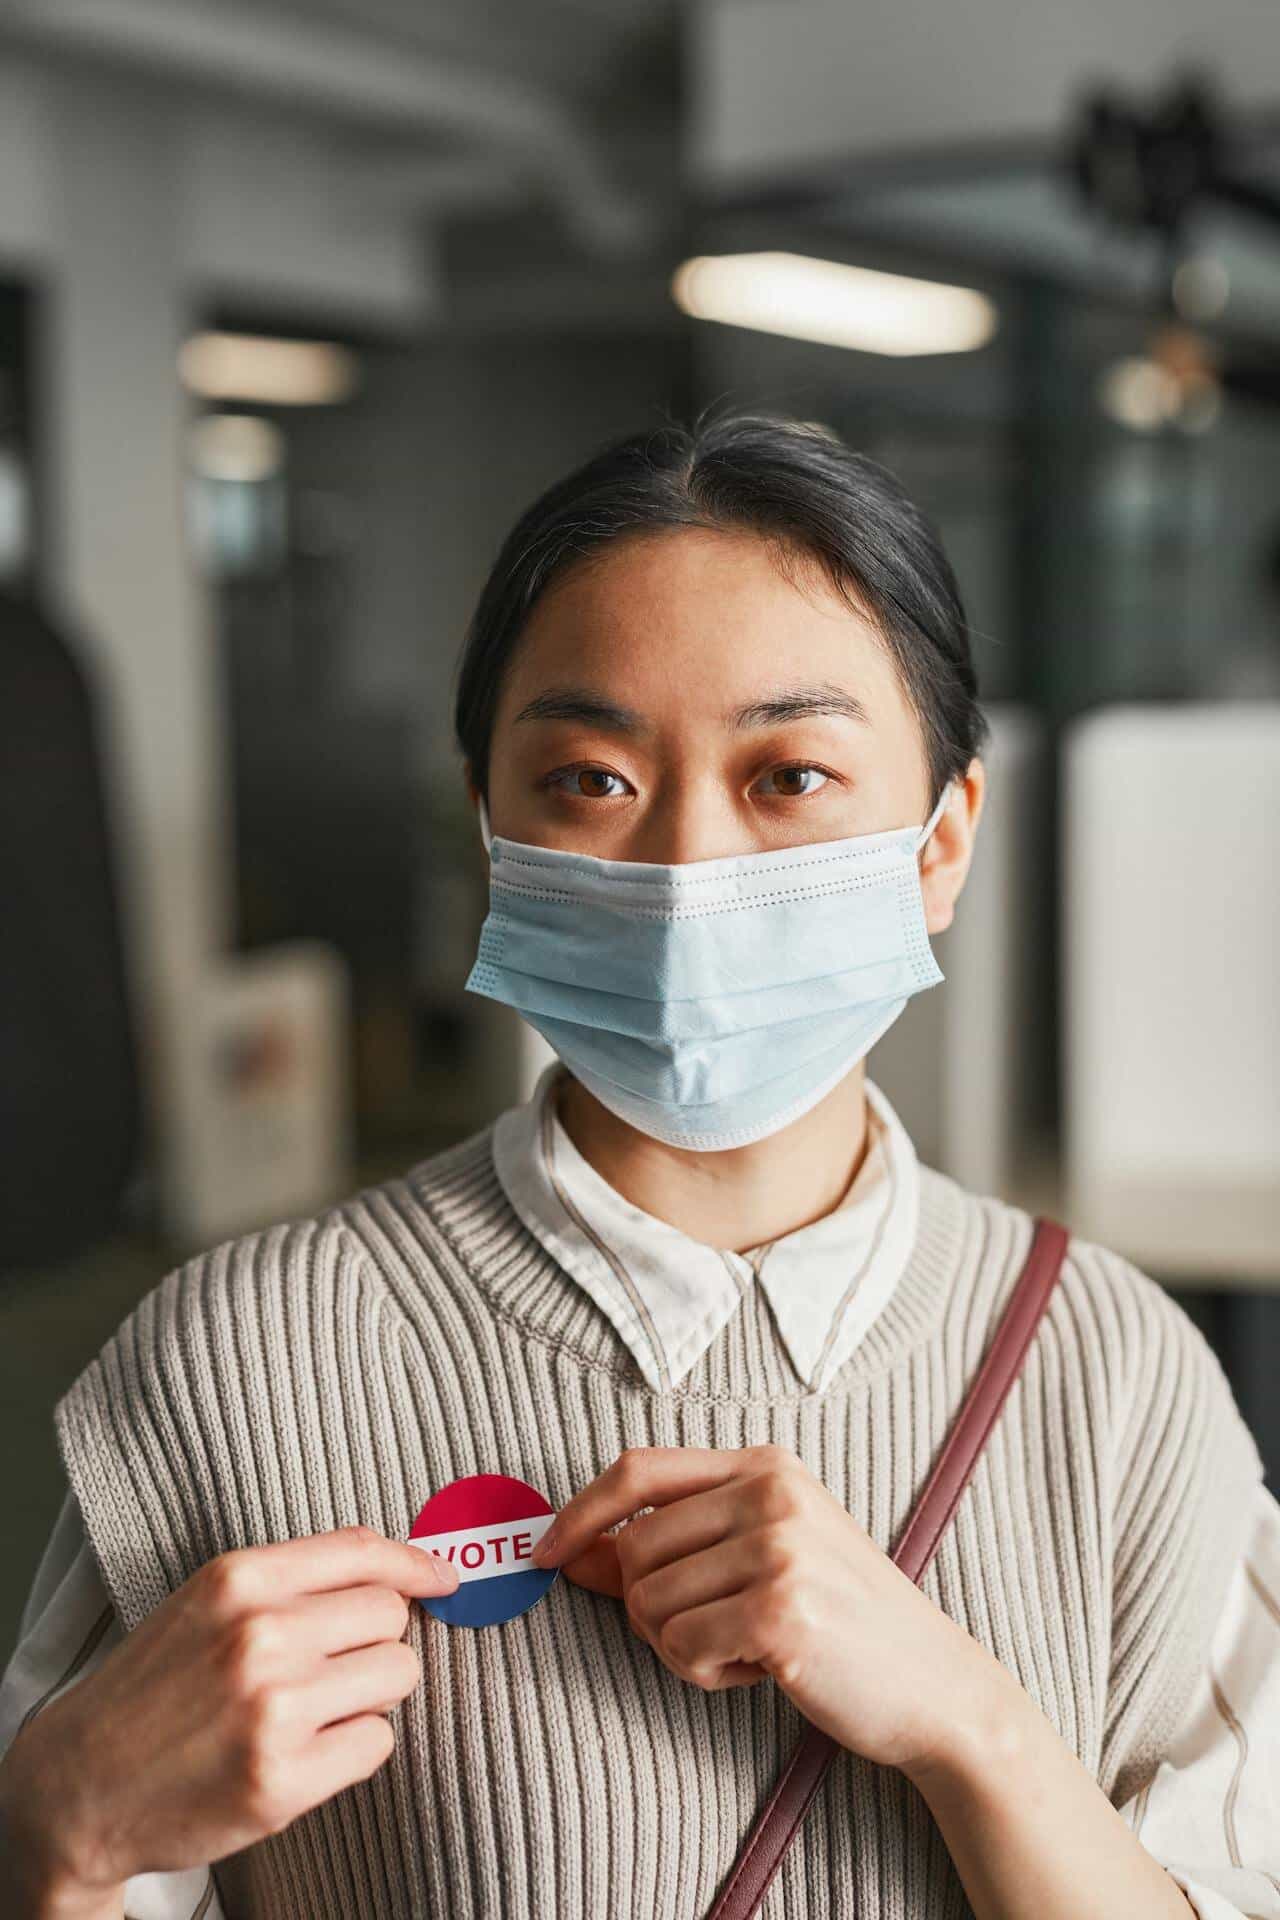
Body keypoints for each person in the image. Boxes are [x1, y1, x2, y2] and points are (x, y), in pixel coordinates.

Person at [2, 411, 1277, 1919]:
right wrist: (51, 1842)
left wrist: (970, 1725)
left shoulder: (1118, 1376)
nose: (687, 869)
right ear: (493, 829)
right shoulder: (229, 1366)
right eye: (592, 780)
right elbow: (77, 1857)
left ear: (940, 845)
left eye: (789, 775)